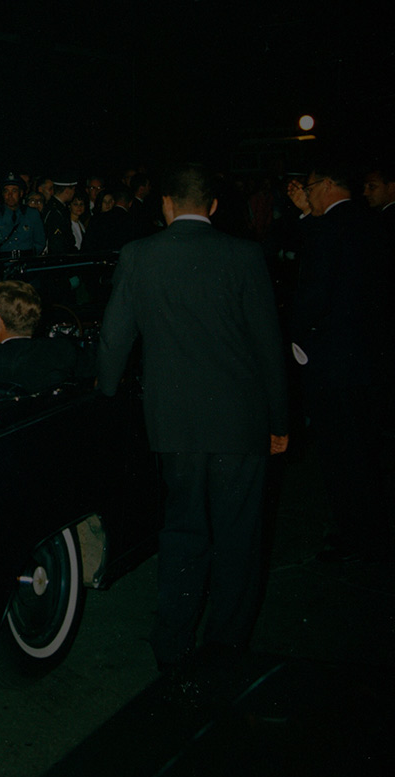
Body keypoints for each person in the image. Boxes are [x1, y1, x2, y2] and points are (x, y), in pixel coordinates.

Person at [98, 163, 288, 676]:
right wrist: (280, 422)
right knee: (238, 537)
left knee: (182, 531)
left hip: (174, 425)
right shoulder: (244, 255)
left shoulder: (139, 255)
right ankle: (226, 645)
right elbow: (269, 347)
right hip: (240, 424)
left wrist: (107, 395)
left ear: (165, 204)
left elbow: (114, 340)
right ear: (213, 207)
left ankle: (173, 643)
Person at [286, 167, 391, 562]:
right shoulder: (370, 221)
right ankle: (367, 530)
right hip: (367, 359)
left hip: (333, 362)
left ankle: (357, 537)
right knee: (362, 452)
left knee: (341, 456)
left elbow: (313, 291)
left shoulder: (330, 227)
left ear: (328, 185)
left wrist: (293, 338)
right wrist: (306, 213)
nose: (307, 196)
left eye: (310, 189)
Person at [0, 173, 45, 257]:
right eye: (6, 191)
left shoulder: (32, 214)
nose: (10, 195)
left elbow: (40, 242)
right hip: (2, 264)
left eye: (14, 191)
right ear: (2, 194)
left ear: (21, 193)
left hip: (26, 263)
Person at [41, 176, 78, 254]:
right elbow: (56, 243)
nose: (74, 193)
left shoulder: (60, 208)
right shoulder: (55, 211)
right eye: (73, 189)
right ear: (67, 191)